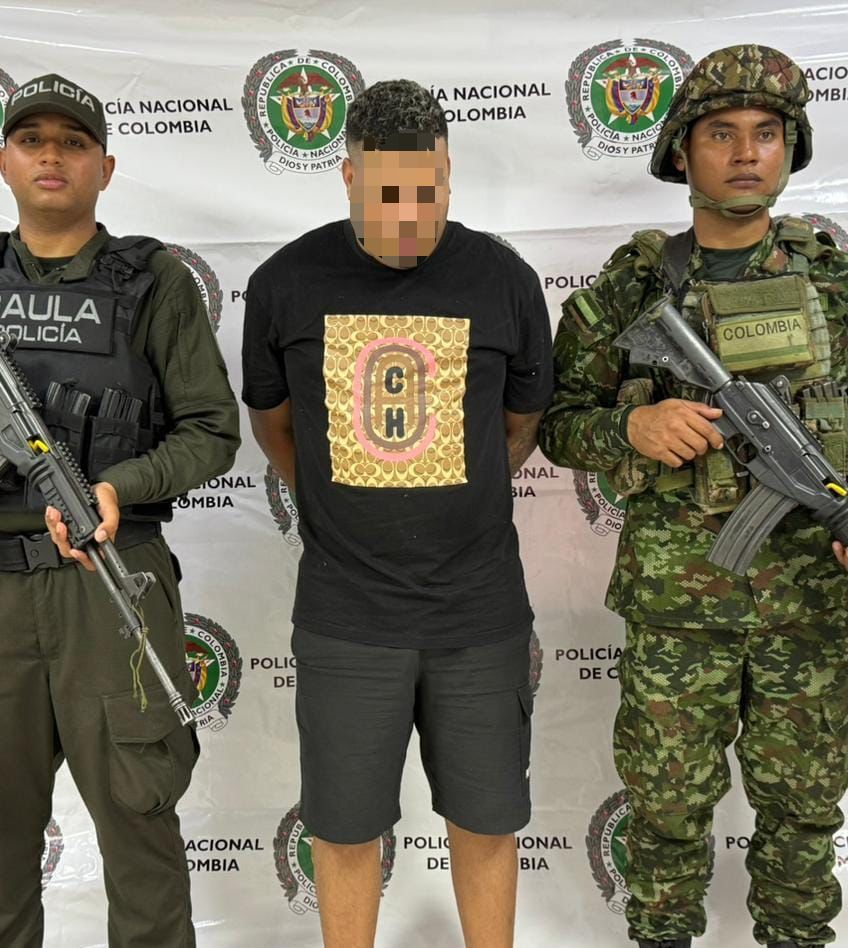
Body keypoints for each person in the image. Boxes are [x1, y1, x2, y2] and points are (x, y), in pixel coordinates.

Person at [538, 46, 848, 948]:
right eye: (722, 133)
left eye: (767, 134)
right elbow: (557, 424)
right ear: (682, 152)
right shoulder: (630, 290)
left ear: (791, 149)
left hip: (808, 607)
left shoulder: (841, 288)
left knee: (804, 813)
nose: (747, 153)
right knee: (665, 812)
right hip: (678, 610)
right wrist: (631, 428)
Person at [0, 73, 240, 948]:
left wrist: (121, 486)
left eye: (73, 143)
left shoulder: (154, 283)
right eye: (32, 140)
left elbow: (212, 433)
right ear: (2, 160)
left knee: (139, 824)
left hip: (110, 584)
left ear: (104, 169)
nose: (52, 156)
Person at [242, 79, 552, 947]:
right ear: (347, 176)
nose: (412, 214)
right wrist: (339, 505)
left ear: (449, 175)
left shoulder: (504, 280)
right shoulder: (285, 282)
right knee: (344, 831)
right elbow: (273, 425)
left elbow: (520, 424)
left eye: (431, 189)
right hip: (347, 613)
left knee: (487, 823)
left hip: (478, 611)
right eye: (388, 193)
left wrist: (460, 496)